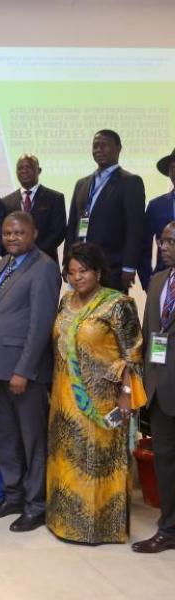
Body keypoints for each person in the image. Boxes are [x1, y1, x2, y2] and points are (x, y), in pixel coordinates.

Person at [47, 242, 146, 544]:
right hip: (64, 398)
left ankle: (99, 527)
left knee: (97, 463)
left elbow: (133, 354)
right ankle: (63, 522)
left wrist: (126, 396)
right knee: (67, 458)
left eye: (84, 271)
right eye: (72, 272)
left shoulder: (118, 304)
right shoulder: (65, 302)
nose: (77, 278)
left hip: (102, 402)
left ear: (99, 272)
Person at [0, 212, 61, 532]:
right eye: (7, 233)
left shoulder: (44, 267)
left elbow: (40, 325)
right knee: (6, 436)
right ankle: (13, 495)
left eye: (19, 232)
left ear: (34, 233)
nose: (12, 237)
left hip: (22, 371)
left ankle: (36, 504)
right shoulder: (3, 263)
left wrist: (24, 370)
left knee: (32, 441)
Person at [135, 220, 175, 553]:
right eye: (161, 241)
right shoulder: (158, 279)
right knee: (165, 461)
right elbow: (150, 336)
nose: (163, 247)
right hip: (161, 390)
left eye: (170, 242)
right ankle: (169, 529)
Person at [64, 129, 145, 292]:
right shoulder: (82, 183)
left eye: (104, 145)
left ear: (118, 148)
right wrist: (67, 262)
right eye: (95, 146)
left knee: (107, 316)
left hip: (111, 268)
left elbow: (135, 228)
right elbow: (73, 225)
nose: (99, 150)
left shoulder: (130, 182)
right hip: (79, 267)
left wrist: (129, 266)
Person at [0, 154, 66, 263]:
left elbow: (58, 232)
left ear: (39, 170)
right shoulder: (6, 202)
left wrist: (33, 254)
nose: (24, 171)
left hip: (45, 261)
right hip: (14, 263)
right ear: (16, 173)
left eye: (28, 167)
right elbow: (2, 234)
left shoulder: (55, 198)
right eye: (20, 168)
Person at [140, 148, 175, 289]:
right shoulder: (156, 205)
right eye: (173, 168)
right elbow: (144, 247)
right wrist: (148, 283)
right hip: (163, 280)